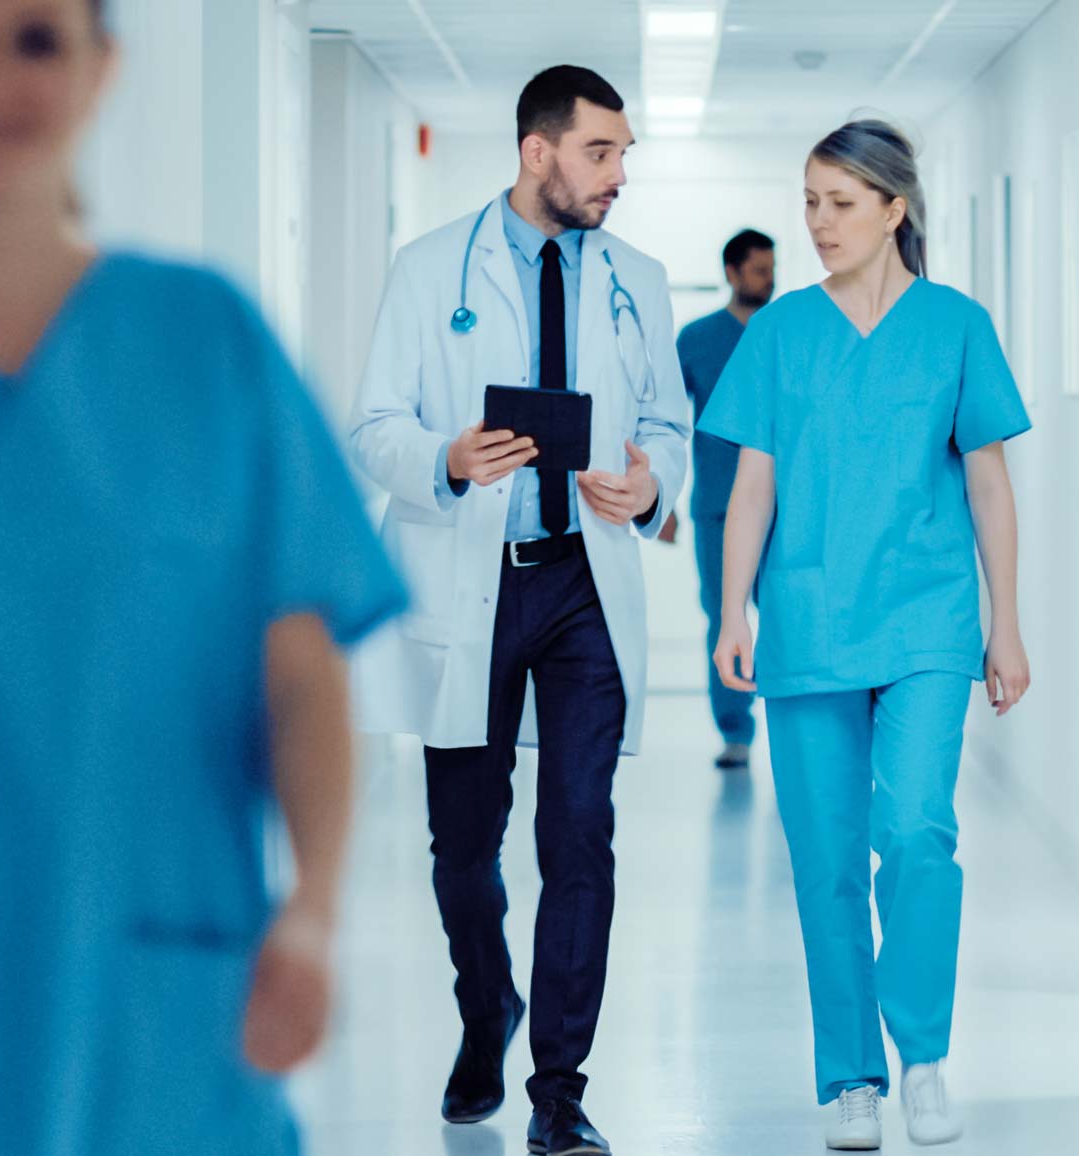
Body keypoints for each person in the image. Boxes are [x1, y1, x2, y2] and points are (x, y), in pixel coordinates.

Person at [0, 2, 406, 1153]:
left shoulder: (202, 341)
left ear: (100, 71)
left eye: (37, 40)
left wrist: (314, 912)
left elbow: (300, 676)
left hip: (157, 992)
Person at [349, 65, 689, 1156]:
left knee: (578, 832)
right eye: (601, 152)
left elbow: (667, 426)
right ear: (537, 151)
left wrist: (650, 488)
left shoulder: (637, 276)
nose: (618, 174)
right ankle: (483, 1007)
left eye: (624, 153)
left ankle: (557, 1089)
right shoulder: (426, 269)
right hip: (472, 577)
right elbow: (372, 426)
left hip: (584, 585)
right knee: (462, 846)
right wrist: (444, 458)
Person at [698, 118, 1031, 1151]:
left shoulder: (954, 325)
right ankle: (850, 1077)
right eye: (807, 201)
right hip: (807, 623)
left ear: (893, 209)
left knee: (916, 832)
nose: (816, 223)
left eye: (838, 204)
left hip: (929, 619)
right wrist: (729, 609)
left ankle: (919, 1054)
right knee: (828, 860)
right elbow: (751, 483)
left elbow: (986, 481)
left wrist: (1005, 624)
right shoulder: (781, 331)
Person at [661, 229, 775, 770]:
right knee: (725, 616)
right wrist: (662, 500)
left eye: (771, 269)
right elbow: (664, 425)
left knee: (788, 615)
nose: (767, 279)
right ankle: (735, 731)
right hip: (717, 506)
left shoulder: (790, 332)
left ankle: (797, 728)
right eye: (757, 270)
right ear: (732, 272)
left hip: (789, 509)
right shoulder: (698, 339)